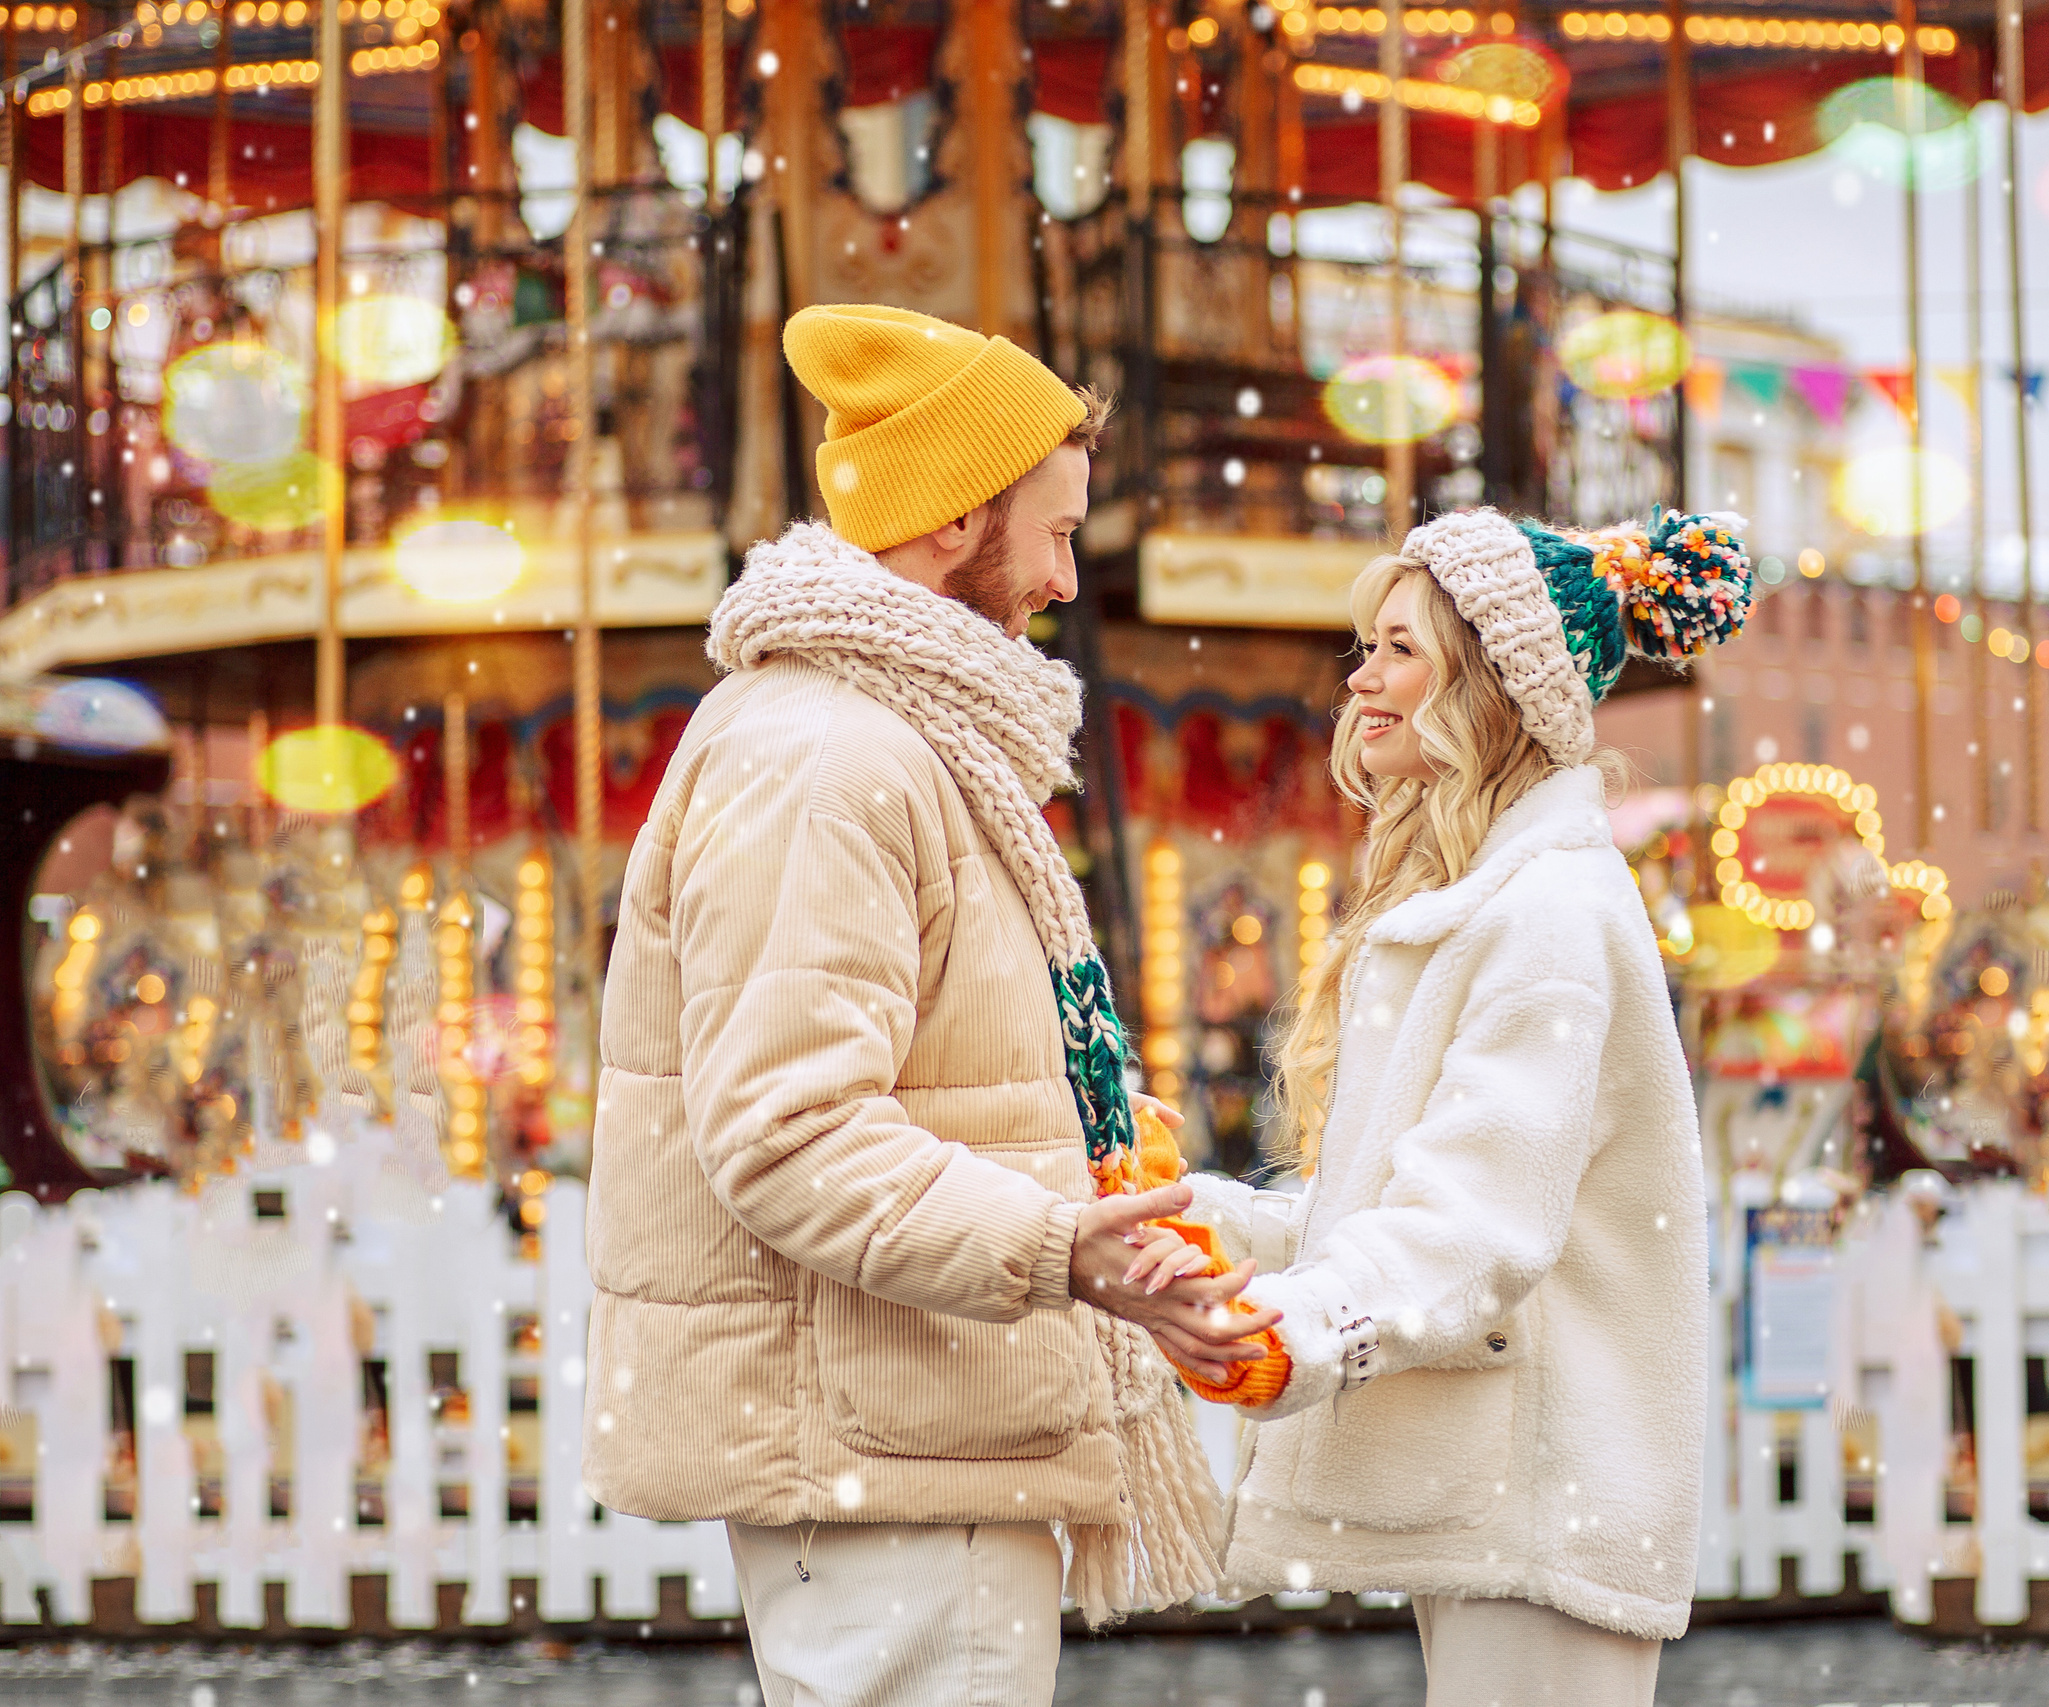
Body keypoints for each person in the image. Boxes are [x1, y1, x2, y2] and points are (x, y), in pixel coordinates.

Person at [580, 303, 1274, 1707]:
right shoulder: (834, 758)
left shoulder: (881, 740)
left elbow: (945, 1081)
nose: (1067, 582)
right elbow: (788, 1132)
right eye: (1058, 531)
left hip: (906, 1416)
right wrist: (1053, 1245)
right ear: (954, 523)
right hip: (887, 1426)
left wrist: (1110, 1214)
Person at [1132, 506, 1752, 1703]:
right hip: (1516, 1485)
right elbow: (1412, 1187)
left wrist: (1300, 1328)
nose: (1360, 677)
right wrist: (1221, 1228)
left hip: (1545, 1487)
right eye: (1366, 646)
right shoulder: (1493, 902)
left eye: (1399, 649)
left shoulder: (1547, 918)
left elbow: (1480, 1219)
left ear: (1491, 686)